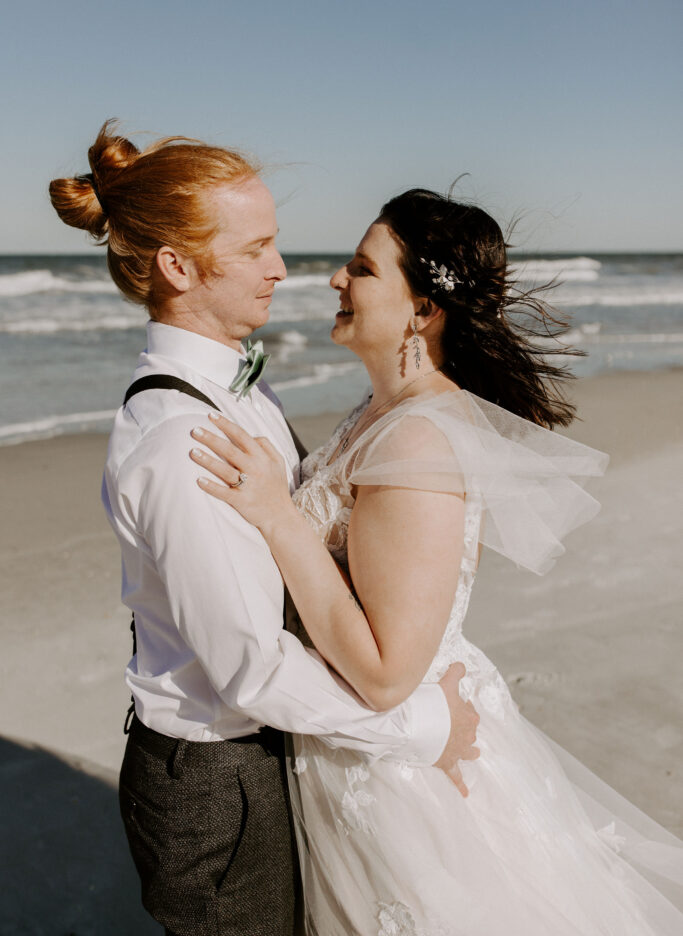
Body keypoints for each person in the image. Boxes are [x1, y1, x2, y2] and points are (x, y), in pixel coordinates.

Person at [192, 189, 683, 935]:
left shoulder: (417, 441)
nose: (333, 279)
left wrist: (274, 515)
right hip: (354, 744)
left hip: (403, 774)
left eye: (360, 268)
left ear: (420, 310)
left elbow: (388, 672)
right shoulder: (380, 411)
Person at [48, 129, 479, 936]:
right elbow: (249, 668)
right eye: (256, 248)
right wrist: (424, 726)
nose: (282, 269)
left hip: (278, 750)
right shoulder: (180, 440)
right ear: (177, 266)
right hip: (219, 781)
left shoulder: (242, 387)